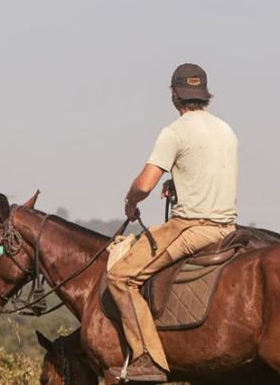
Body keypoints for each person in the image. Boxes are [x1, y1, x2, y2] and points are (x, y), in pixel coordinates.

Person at [106, 63, 239, 382]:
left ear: (173, 94)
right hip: (228, 227)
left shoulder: (174, 132)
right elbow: (208, 172)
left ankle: (147, 358)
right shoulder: (226, 129)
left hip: (191, 228)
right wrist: (178, 184)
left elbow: (144, 185)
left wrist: (130, 200)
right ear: (205, 95)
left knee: (119, 276)